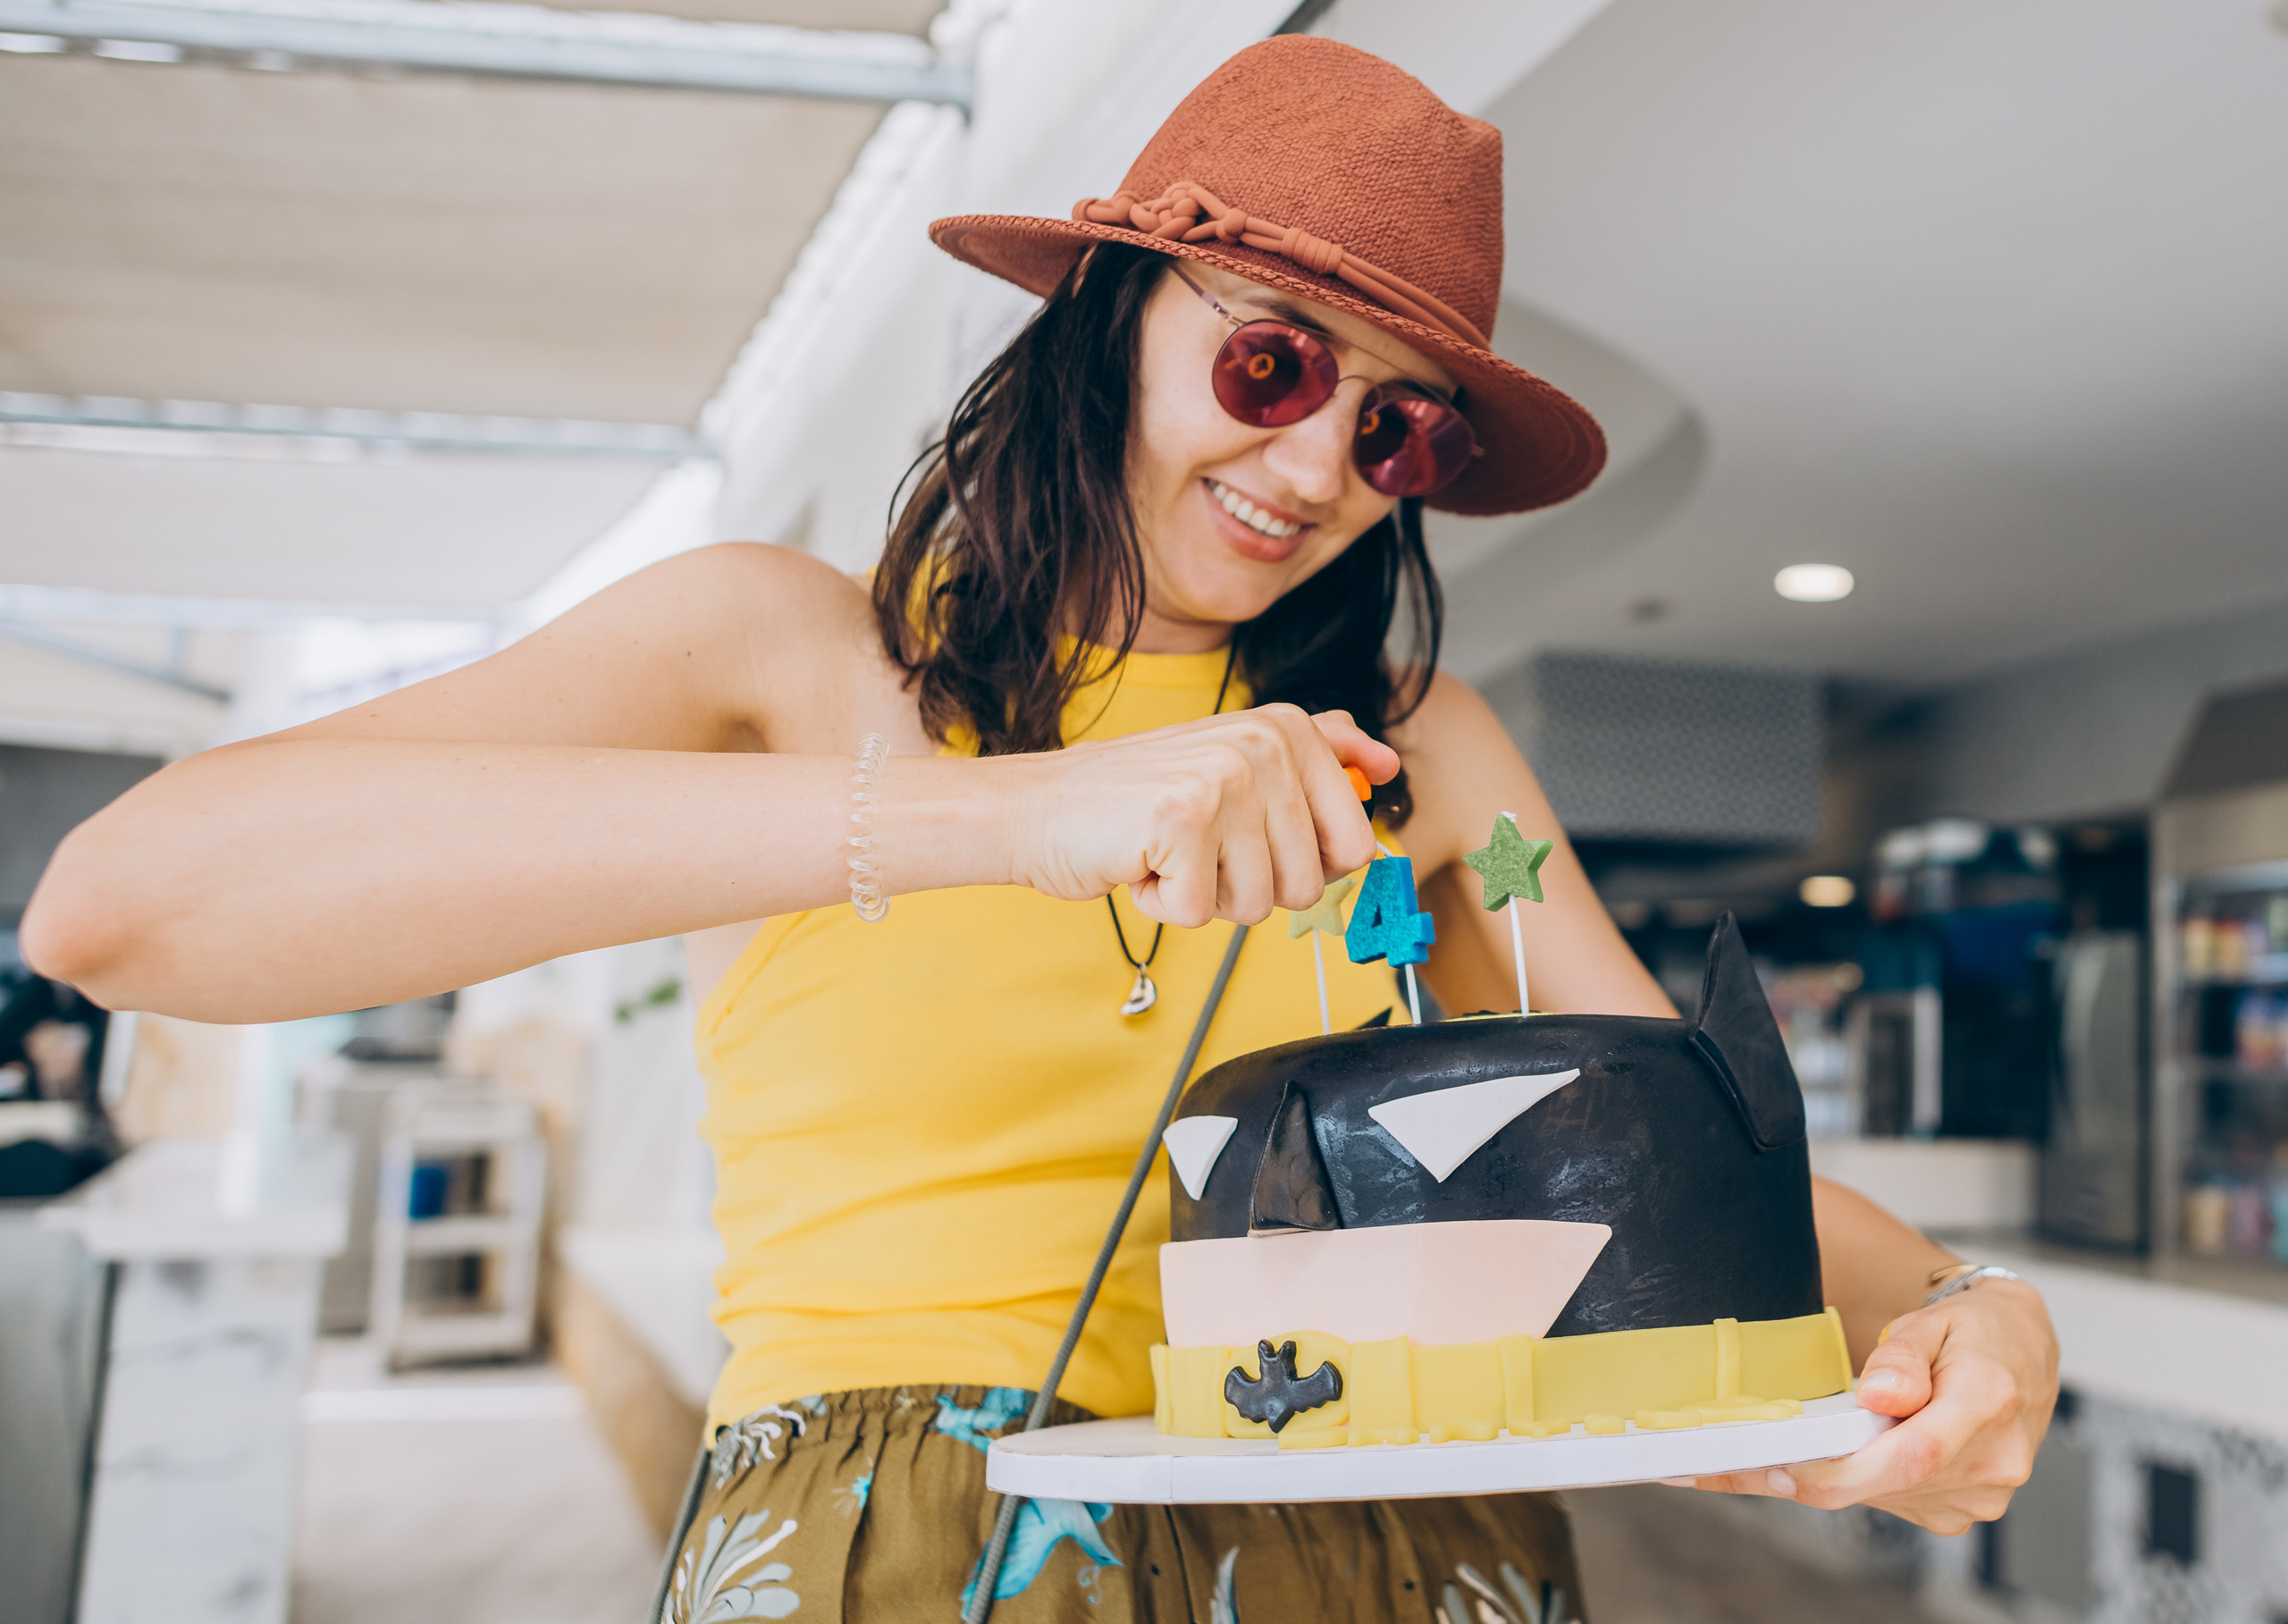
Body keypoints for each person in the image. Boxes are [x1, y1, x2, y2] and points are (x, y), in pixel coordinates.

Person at [24, 35, 2057, 1623]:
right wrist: (1005, 812)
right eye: (1268, 359)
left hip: (1394, 1529)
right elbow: (126, 911)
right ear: (1107, 313)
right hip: (908, 1521)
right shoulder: (777, 651)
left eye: (1392, 424)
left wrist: (1966, 1302)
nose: (1312, 468)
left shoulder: (1409, 752)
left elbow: (1681, 1148)